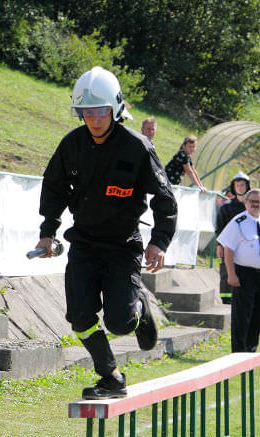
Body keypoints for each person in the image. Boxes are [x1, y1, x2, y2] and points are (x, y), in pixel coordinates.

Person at [35, 67, 177, 400]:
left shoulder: (137, 147)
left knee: (120, 323)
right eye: (87, 112)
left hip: (122, 247)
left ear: (115, 110)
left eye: (100, 111)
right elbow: (53, 187)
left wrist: (159, 242)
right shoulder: (72, 144)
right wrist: (47, 232)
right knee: (80, 317)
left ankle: (139, 310)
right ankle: (111, 377)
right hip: (83, 243)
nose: (94, 119)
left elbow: (165, 198)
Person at [218, 188, 260, 352]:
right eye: (252, 201)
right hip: (245, 274)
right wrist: (231, 274)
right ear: (246, 202)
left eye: (258, 202)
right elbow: (228, 249)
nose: (255, 205)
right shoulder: (238, 222)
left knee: (258, 316)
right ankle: (238, 351)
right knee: (242, 315)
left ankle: (251, 350)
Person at [214, 171, 249, 304]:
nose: (240, 187)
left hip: (245, 246)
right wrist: (219, 245)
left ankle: (241, 297)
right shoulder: (226, 207)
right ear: (233, 188)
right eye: (237, 185)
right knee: (226, 271)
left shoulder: (249, 207)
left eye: (242, 185)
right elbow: (220, 227)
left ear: (247, 187)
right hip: (228, 245)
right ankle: (226, 298)